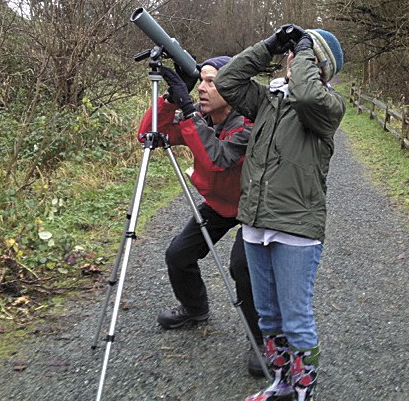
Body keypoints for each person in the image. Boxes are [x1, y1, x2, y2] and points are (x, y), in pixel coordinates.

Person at [214, 25, 345, 400]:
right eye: (292, 53)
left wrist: (304, 50)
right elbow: (227, 81)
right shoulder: (268, 101)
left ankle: (305, 392)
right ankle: (283, 384)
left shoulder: (327, 108)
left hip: (296, 229)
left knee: (296, 319)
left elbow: (306, 93)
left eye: (304, 55)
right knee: (269, 318)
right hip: (256, 224)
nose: (291, 58)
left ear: (317, 66)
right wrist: (268, 45)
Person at [136, 56, 265, 377]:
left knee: (243, 267)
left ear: (233, 87)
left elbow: (217, 161)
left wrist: (191, 114)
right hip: (219, 203)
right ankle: (195, 310)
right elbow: (149, 134)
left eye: (212, 82)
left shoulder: (250, 123)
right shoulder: (202, 117)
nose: (204, 89)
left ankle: (262, 339)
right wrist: (169, 99)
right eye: (201, 81)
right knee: (178, 254)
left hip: (254, 205)